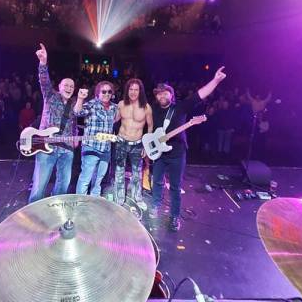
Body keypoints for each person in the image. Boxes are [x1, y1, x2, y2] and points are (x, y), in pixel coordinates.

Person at [149, 67, 227, 231]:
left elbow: (200, 94)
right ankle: (154, 206)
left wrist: (215, 81)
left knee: (175, 187)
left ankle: (174, 217)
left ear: (171, 95)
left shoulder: (180, 107)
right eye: (159, 94)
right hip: (159, 153)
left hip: (177, 154)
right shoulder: (153, 109)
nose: (162, 96)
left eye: (165, 93)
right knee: (156, 182)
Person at [28, 43, 77, 203]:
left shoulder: (74, 103)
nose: (69, 88)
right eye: (66, 85)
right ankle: (34, 214)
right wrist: (43, 63)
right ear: (59, 87)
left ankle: (55, 212)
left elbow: (74, 122)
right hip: (45, 146)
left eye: (72, 86)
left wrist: (75, 136)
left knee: (63, 186)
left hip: (66, 149)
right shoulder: (50, 95)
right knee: (39, 186)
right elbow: (44, 81)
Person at [113, 79, 152, 210]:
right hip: (121, 142)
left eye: (136, 89)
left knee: (137, 173)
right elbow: (113, 120)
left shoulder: (146, 107)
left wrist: (147, 146)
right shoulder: (121, 104)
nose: (133, 92)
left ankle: (138, 198)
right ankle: (119, 199)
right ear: (127, 90)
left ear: (140, 91)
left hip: (137, 144)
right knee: (119, 171)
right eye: (131, 89)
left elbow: (150, 127)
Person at [74, 81, 118, 196]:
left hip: (106, 149)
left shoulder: (114, 107)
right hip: (91, 147)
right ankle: (80, 202)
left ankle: (95, 201)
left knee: (98, 180)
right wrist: (80, 98)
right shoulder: (92, 104)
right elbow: (77, 112)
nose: (107, 94)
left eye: (109, 92)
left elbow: (116, 120)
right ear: (98, 93)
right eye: (104, 91)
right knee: (85, 179)